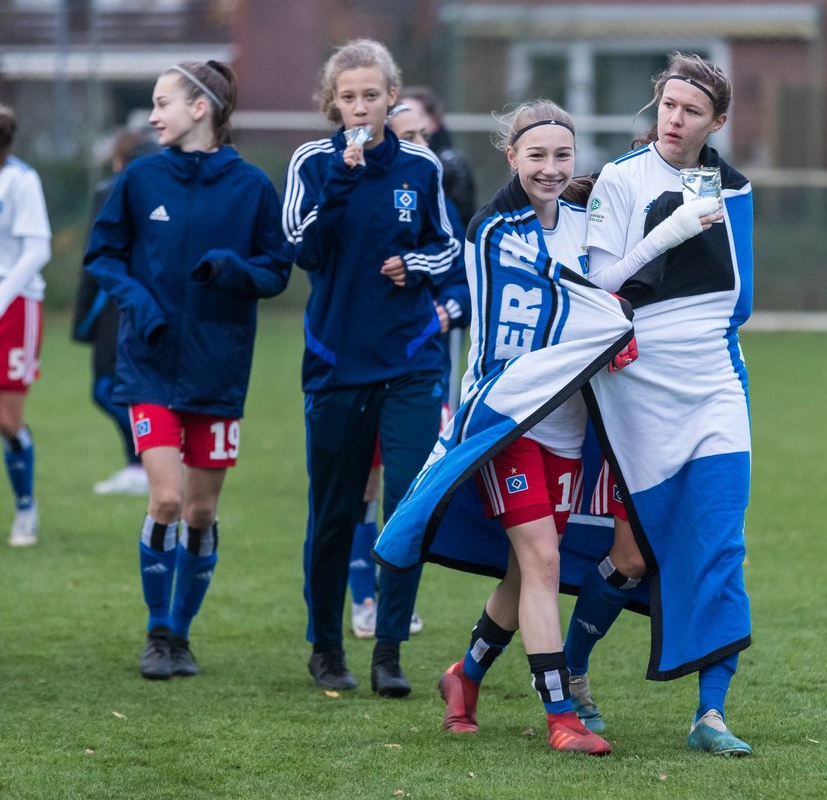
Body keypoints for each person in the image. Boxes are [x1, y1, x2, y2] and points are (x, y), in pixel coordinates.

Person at [369, 98, 718, 754]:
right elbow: (560, 306)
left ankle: (464, 677)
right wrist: (609, 323)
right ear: (512, 158)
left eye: (562, 156)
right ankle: (562, 717)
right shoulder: (493, 231)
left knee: (524, 572)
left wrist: (622, 315)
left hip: (567, 426)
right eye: (537, 156)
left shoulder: (586, 221)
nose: (551, 168)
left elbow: (607, 285)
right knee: (543, 560)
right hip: (508, 420)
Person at [563, 52, 756, 756]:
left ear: (717, 122)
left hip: (713, 384)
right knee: (634, 554)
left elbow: (746, 296)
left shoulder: (733, 189)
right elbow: (602, 281)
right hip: (636, 386)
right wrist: (671, 232)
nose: (675, 120)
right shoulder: (621, 178)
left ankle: (711, 715)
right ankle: (573, 667)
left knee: (721, 541)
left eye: (692, 111)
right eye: (668, 106)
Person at [84, 61, 292, 679]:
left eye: (161, 102)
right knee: (168, 500)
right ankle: (156, 631)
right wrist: (139, 304)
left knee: (201, 513)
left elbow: (276, 272)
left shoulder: (252, 186)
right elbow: (103, 256)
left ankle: (181, 634)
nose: (152, 116)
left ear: (200, 108)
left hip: (218, 372)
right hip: (148, 365)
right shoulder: (141, 179)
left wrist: (232, 267)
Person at [283, 38, 459, 695]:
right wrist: (344, 181)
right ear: (332, 103)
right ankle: (326, 647)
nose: (360, 107)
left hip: (410, 360)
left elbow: (450, 248)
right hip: (335, 361)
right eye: (348, 97)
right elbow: (304, 250)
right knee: (332, 512)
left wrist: (416, 265)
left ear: (393, 96)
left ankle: (388, 651)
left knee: (407, 509)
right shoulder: (311, 162)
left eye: (371, 95)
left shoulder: (421, 166)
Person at [345, 100, 469, 642]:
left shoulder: (436, 197)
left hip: (422, 369)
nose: (420, 144)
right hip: (361, 366)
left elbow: (467, 281)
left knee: (410, 488)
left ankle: (392, 597)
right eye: (407, 134)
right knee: (362, 485)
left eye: (424, 132)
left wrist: (447, 309)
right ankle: (363, 598)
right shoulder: (369, 200)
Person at [72, 130, 160, 497]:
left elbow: (96, 258)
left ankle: (149, 460)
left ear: (118, 159)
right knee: (129, 389)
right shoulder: (163, 184)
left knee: (107, 388)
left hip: (116, 302)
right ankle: (141, 463)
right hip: (155, 303)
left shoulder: (111, 189)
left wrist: (83, 320)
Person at [0, 104, 52, 548]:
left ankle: (25, 509)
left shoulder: (20, 180)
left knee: (7, 419)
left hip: (15, 304)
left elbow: (37, 250)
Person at [399, 86, 477, 227]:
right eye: (401, 112)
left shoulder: (450, 163)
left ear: (433, 122)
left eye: (414, 114)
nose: (407, 119)